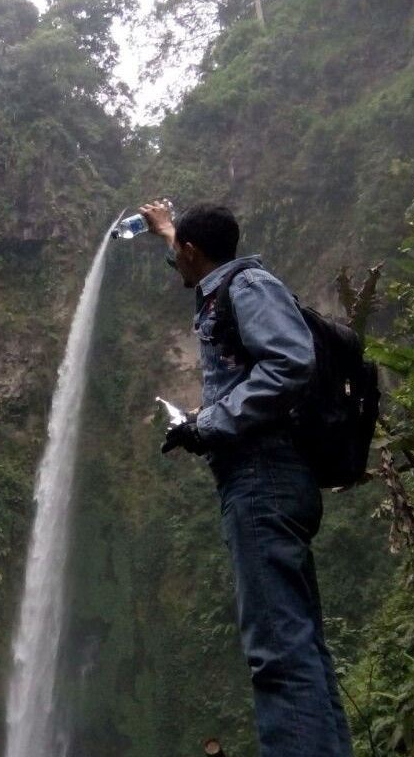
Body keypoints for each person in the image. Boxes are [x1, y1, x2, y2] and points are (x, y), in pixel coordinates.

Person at [139, 200, 354, 757]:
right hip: (270, 481)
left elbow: (288, 364)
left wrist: (208, 422)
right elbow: (194, 266)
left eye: (178, 252)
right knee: (300, 646)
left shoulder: (249, 286)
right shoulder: (223, 278)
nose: (178, 268)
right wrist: (167, 232)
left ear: (193, 251)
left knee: (278, 650)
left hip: (263, 480)